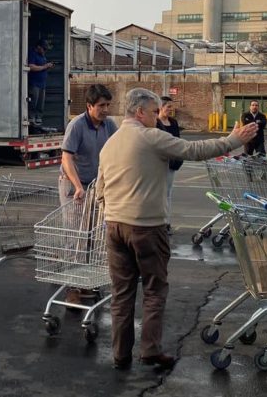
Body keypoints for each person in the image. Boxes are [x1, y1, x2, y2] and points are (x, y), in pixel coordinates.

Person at [97, 88, 258, 370]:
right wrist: (233, 140)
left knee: (121, 294)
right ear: (139, 112)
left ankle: (120, 355)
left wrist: (109, 213)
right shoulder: (150, 138)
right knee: (154, 289)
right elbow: (193, 150)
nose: (157, 117)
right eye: (153, 112)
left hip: (115, 225)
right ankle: (150, 350)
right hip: (146, 226)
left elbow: (100, 187)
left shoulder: (111, 142)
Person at [59, 83, 118, 304]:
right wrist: (77, 186)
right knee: (76, 235)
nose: (105, 109)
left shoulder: (109, 125)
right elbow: (67, 158)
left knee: (93, 234)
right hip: (74, 184)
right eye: (101, 105)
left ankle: (87, 280)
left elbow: (116, 151)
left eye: (108, 105)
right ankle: (72, 287)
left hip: (96, 186)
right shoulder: (77, 125)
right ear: (89, 106)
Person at [155, 96, 182, 232]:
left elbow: (178, 141)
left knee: (167, 193)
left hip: (171, 163)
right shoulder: (155, 122)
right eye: (168, 107)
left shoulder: (173, 123)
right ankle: (156, 221)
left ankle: (166, 221)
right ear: (161, 107)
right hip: (157, 163)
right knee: (157, 193)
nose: (171, 109)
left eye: (172, 107)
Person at [27, 39, 54, 132]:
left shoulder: (42, 56)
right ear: (38, 47)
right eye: (44, 49)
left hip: (42, 84)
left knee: (40, 103)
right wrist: (45, 66)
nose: (45, 51)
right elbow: (31, 67)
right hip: (34, 84)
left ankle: (38, 121)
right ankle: (31, 121)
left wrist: (48, 67)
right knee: (33, 102)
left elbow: (42, 68)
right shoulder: (32, 54)